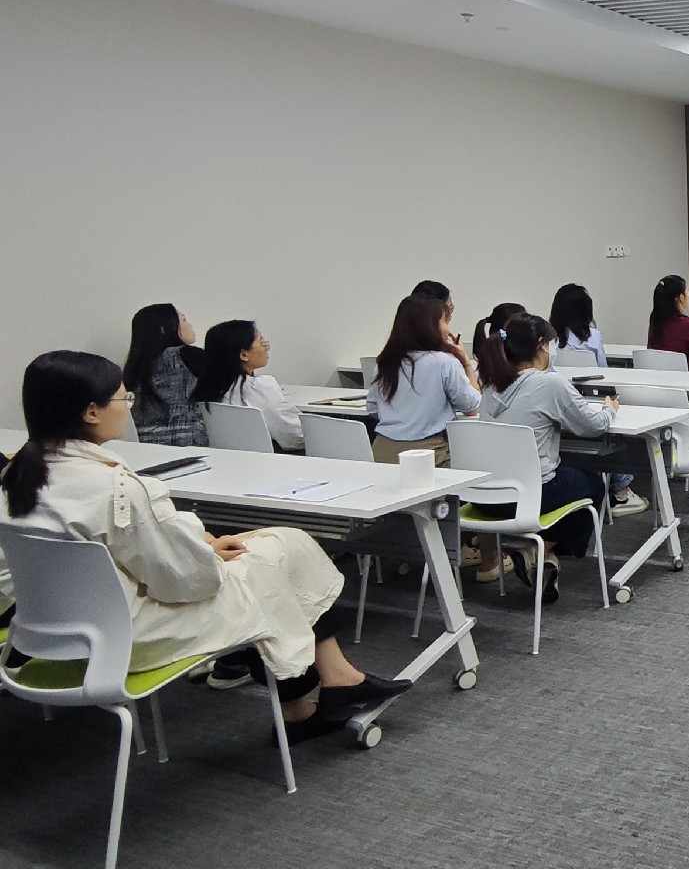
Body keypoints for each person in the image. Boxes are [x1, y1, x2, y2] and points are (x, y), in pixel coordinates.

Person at [0, 351, 410, 742]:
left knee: (271, 553)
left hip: (50, 636)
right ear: (91, 412)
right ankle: (322, 689)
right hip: (131, 638)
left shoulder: (17, 476)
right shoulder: (116, 489)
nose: (128, 407)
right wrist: (206, 554)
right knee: (278, 556)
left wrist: (201, 545)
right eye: (124, 399)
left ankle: (318, 692)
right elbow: (185, 582)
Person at [474, 313, 614, 602]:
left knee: (569, 477)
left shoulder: (489, 385)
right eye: (551, 344)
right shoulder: (549, 384)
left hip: (485, 498)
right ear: (540, 345)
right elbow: (593, 426)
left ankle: (545, 557)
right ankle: (539, 549)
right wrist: (609, 409)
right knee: (594, 485)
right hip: (532, 495)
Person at [368, 294, 481, 465]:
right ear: (430, 326)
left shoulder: (384, 362)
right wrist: (465, 361)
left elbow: (372, 409)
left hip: (383, 452)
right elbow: (472, 406)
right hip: (428, 454)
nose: (448, 330)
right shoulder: (444, 362)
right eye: (445, 321)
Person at [548, 282, 634, 502]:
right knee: (616, 428)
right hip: (591, 399)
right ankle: (621, 486)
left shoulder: (550, 340)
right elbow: (604, 372)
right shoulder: (592, 336)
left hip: (561, 402)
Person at [190, 320, 304, 452]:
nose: (266, 348)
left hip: (228, 458)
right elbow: (292, 436)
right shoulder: (259, 386)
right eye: (261, 342)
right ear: (244, 354)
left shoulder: (207, 389)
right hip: (272, 459)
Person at [124, 303, 206, 446]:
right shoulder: (186, 355)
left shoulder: (134, 367)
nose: (190, 325)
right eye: (184, 320)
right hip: (187, 443)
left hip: (144, 444)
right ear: (165, 328)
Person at [647, 274, 689, 372]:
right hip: (682, 377)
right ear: (681, 297)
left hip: (657, 377)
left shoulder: (655, 319)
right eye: (688, 291)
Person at [549, 283, 607, 366]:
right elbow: (603, 367)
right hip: (591, 374)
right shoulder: (594, 336)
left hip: (557, 374)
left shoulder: (548, 337)